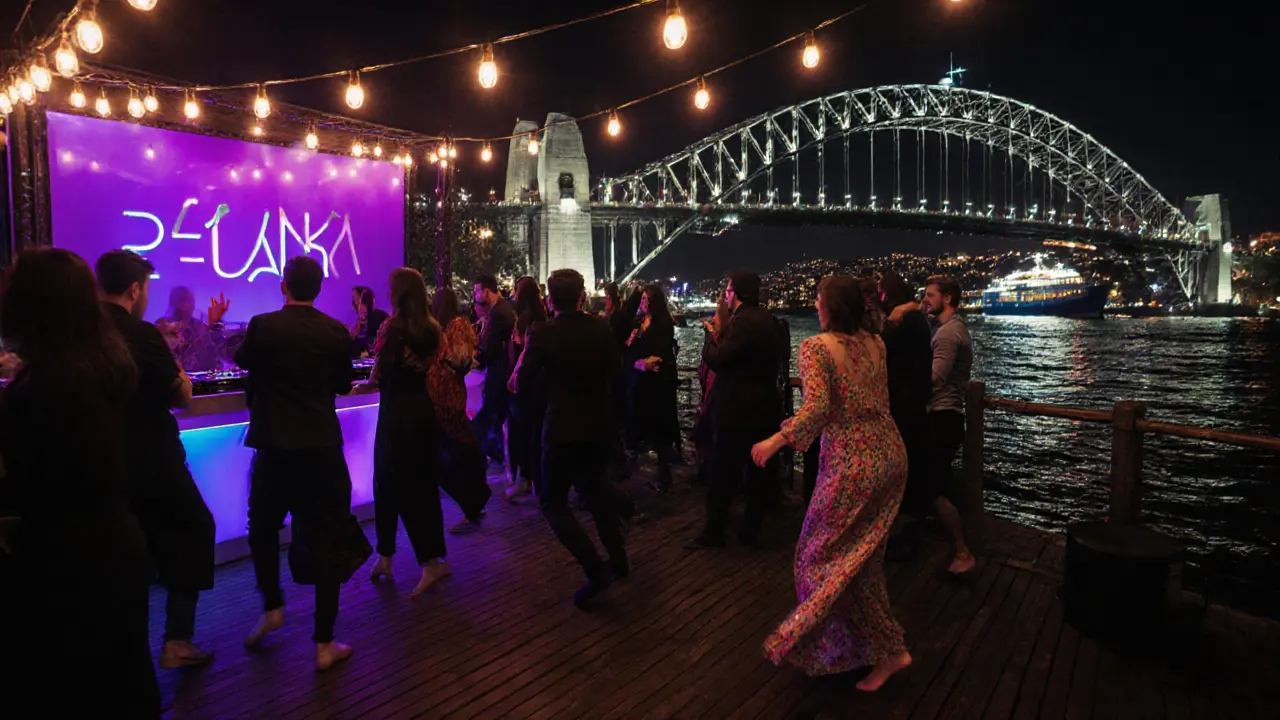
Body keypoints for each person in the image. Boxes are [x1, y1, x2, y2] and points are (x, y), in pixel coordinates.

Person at [0, 247, 161, 717]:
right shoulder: (103, 364)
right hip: (113, 547)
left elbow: (46, 481)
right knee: (124, 681)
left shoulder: (48, 383)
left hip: (65, 561)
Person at [750, 274, 911, 692]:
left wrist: (776, 440)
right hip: (891, 454)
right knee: (862, 561)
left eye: (819, 299)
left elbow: (819, 406)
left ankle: (850, 648)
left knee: (817, 558)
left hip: (852, 462)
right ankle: (878, 650)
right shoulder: (876, 344)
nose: (816, 306)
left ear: (830, 306)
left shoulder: (816, 348)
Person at [234, 256, 361, 671]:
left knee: (264, 528)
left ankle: (273, 606)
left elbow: (243, 362)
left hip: (273, 446)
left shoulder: (263, 326)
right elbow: (343, 384)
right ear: (320, 288)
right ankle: (324, 643)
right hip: (321, 447)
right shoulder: (334, 331)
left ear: (283, 285)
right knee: (327, 539)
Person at [96, 250, 217, 670]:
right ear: (135, 289)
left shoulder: (77, 332)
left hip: (100, 462)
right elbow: (181, 397)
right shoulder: (141, 334)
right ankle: (176, 640)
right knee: (195, 528)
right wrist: (178, 369)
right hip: (152, 458)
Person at [510, 269, 627, 609]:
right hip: (599, 426)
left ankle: (595, 569)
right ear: (581, 297)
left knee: (553, 502)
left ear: (550, 299)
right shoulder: (601, 329)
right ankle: (618, 560)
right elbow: (615, 373)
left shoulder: (543, 333)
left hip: (561, 429)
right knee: (595, 491)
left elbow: (523, 381)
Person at [367, 269, 451, 596]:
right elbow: (432, 365)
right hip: (421, 410)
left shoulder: (391, 327)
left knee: (388, 484)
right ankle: (426, 559)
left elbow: (377, 373)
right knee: (422, 487)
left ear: (397, 292)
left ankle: (401, 557)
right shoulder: (431, 328)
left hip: (395, 414)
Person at [686, 270, 783, 550]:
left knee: (722, 474)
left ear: (736, 293)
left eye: (728, 290)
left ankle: (713, 533)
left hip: (737, 412)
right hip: (765, 408)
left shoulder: (742, 323)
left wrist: (710, 337)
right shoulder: (768, 320)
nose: (726, 295)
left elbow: (718, 360)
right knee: (756, 475)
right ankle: (750, 531)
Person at [877, 271, 934, 562]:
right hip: (916, 404)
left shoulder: (905, 321)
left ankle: (904, 537)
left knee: (902, 471)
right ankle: (909, 535)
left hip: (904, 406)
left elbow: (881, 349)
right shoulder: (917, 319)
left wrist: (888, 321)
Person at [427, 286, 491, 534]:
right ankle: (474, 499)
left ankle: (473, 501)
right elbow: (463, 360)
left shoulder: (446, 326)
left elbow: (460, 359)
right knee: (456, 446)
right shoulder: (453, 325)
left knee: (450, 449)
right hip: (451, 392)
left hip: (440, 393)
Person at [623, 284, 680, 493]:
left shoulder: (664, 323)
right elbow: (627, 348)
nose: (644, 302)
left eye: (648, 299)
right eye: (642, 298)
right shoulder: (637, 322)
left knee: (661, 427)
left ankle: (663, 474)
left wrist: (645, 361)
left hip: (659, 384)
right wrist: (637, 362)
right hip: (640, 382)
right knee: (639, 423)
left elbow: (660, 352)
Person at [505, 277, 548, 501]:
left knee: (523, 434)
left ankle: (526, 480)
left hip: (524, 387)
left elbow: (523, 356)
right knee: (534, 435)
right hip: (538, 387)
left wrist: (514, 380)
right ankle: (534, 480)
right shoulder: (542, 318)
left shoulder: (525, 322)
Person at [471, 274, 516, 464]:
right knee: (497, 415)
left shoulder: (498, 313)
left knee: (489, 411)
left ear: (487, 292)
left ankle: (471, 447)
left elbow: (490, 348)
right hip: (503, 371)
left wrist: (474, 359)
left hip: (500, 372)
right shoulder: (503, 307)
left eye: (476, 291)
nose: (475, 296)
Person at [157, 285, 232, 372]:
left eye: (192, 301)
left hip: (200, 379)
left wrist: (217, 322)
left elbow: (212, 358)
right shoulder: (163, 325)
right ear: (177, 303)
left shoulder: (200, 326)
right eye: (189, 300)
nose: (192, 304)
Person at [350, 286, 389, 358]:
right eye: (354, 299)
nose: (355, 302)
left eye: (357, 299)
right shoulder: (357, 320)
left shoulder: (380, 317)